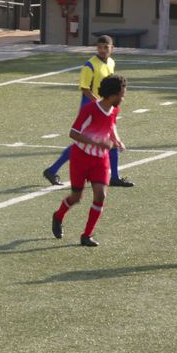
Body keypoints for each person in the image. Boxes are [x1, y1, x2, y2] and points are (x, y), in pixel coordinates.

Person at [42, 35, 134, 188]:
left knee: (109, 141)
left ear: (112, 48)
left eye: (106, 48)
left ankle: (115, 177)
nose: (102, 51)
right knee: (81, 145)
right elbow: (85, 88)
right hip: (91, 108)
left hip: (104, 107)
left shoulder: (111, 62)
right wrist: (98, 104)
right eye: (99, 48)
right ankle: (52, 170)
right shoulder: (89, 65)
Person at [51, 74, 129, 247]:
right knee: (76, 197)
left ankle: (86, 235)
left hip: (100, 160)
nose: (123, 98)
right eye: (121, 95)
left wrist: (116, 140)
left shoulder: (115, 109)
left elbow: (111, 126)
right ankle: (58, 216)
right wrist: (96, 142)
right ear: (111, 94)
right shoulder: (90, 110)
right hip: (81, 158)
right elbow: (73, 133)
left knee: (100, 195)